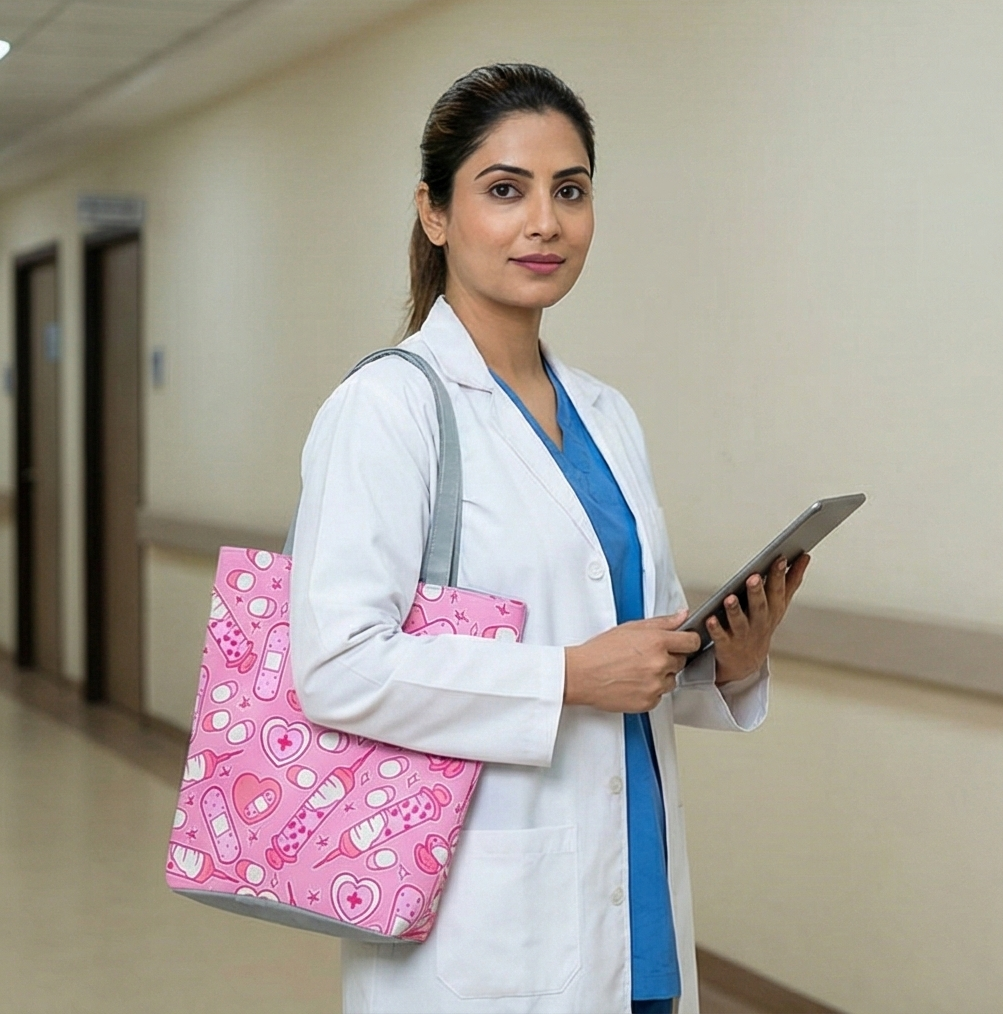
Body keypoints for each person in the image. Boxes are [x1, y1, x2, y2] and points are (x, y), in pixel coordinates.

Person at [290, 63, 809, 1014]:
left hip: (629, 893)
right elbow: (335, 668)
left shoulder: (607, 417)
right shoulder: (387, 408)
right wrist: (567, 675)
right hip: (483, 919)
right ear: (433, 213)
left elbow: (625, 656)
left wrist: (724, 662)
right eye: (504, 189)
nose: (545, 222)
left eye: (570, 191)